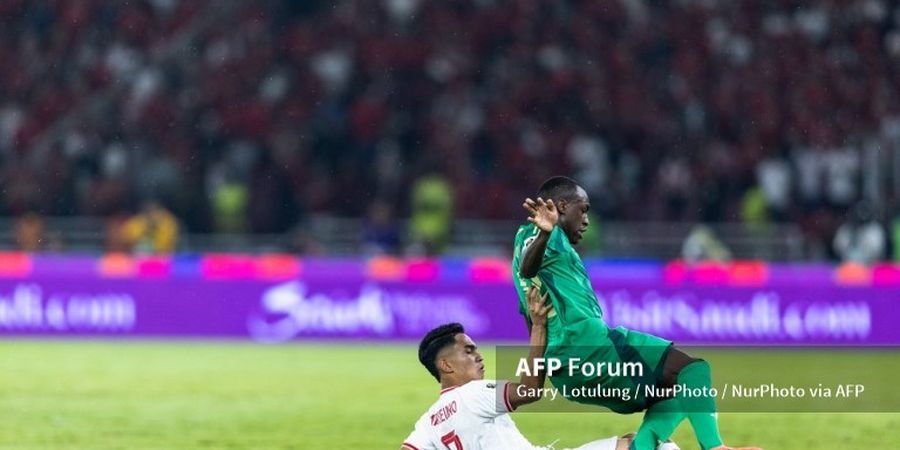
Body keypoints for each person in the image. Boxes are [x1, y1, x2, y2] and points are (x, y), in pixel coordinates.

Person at [512, 176, 761, 450]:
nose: (586, 220)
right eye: (582, 209)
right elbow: (529, 267)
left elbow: (533, 319)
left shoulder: (534, 261)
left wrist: (542, 369)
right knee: (693, 371)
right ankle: (714, 447)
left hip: (567, 374)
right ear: (559, 206)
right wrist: (546, 232)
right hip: (591, 347)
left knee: (675, 391)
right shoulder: (543, 236)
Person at [400, 286, 648, 450]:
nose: (479, 356)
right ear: (445, 365)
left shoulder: (429, 421)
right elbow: (530, 391)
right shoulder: (473, 393)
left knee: (630, 440)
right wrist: (538, 326)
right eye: (469, 350)